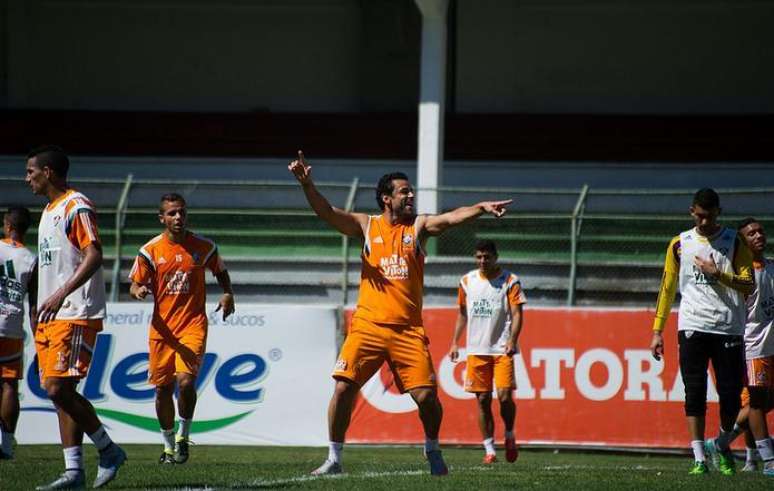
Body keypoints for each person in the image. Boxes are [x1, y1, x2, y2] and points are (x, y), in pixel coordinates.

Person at [288, 150, 511, 476]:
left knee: (427, 399)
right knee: (342, 388)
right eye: (404, 192)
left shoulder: (417, 226)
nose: (410, 196)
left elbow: (449, 218)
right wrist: (307, 184)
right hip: (367, 326)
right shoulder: (367, 225)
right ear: (385, 199)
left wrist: (480, 208)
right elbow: (327, 212)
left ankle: (431, 447)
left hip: (407, 330)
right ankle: (334, 458)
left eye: (411, 192)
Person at [25, 145, 126, 489]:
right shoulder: (49, 211)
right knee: (58, 391)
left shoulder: (76, 206)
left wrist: (60, 293)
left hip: (75, 310)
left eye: (31, 172)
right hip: (51, 314)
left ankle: (108, 449)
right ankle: (73, 471)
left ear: (48, 172)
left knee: (57, 387)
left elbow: (94, 254)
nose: (27, 179)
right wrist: (36, 305)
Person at [649, 188, 753, 476]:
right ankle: (698, 458)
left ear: (719, 212)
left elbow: (748, 284)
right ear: (691, 211)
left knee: (731, 397)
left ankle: (720, 444)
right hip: (693, 325)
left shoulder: (734, 242)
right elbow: (667, 288)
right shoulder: (679, 244)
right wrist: (657, 330)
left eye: (709, 216)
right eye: (699, 215)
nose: (704, 221)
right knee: (693, 392)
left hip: (728, 327)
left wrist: (717, 273)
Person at [129, 193, 235, 465]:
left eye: (182, 213)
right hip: (162, 330)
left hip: (192, 325)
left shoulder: (203, 246)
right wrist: (138, 289)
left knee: (185, 381)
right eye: (172, 213)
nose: (178, 218)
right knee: (163, 389)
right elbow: (133, 284)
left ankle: (183, 436)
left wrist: (227, 293)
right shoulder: (150, 251)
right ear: (161, 217)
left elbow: (220, 270)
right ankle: (166, 447)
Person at [705, 218, 774, 476]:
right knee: (756, 402)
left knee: (766, 401)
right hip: (752, 345)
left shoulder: (771, 267)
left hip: (771, 344)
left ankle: (720, 443)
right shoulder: (741, 274)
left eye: (760, 231)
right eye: (751, 233)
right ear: (742, 242)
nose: (758, 236)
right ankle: (767, 460)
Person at [448, 239, 525, 464]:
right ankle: (489, 449)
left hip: (502, 348)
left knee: (503, 396)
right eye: (479, 257)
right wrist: (454, 342)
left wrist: (512, 340)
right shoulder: (466, 281)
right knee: (482, 400)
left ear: (495, 257)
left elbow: (518, 313)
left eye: (487, 257)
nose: (482, 261)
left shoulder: (510, 281)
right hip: (476, 349)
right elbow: (462, 313)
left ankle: (509, 434)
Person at [0, 207, 37, 460]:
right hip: (12, 326)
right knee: (10, 384)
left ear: (7, 225)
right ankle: (7, 442)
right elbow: (34, 304)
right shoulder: (31, 258)